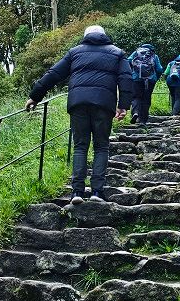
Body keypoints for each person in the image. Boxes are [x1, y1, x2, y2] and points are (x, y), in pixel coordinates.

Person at [26, 25, 132, 204]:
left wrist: (35, 96)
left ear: (86, 36)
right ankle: (97, 192)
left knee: (80, 146)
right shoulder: (117, 53)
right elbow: (126, 78)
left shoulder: (75, 52)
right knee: (101, 147)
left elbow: (54, 73)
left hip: (78, 103)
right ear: (103, 36)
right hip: (104, 104)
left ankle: (77, 192)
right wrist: (123, 105)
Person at [127, 43, 163, 125]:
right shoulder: (154, 55)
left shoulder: (136, 53)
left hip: (136, 79)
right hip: (150, 80)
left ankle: (135, 113)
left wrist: (132, 73)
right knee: (146, 99)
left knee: (136, 97)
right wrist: (155, 78)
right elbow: (160, 69)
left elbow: (128, 61)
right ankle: (143, 120)